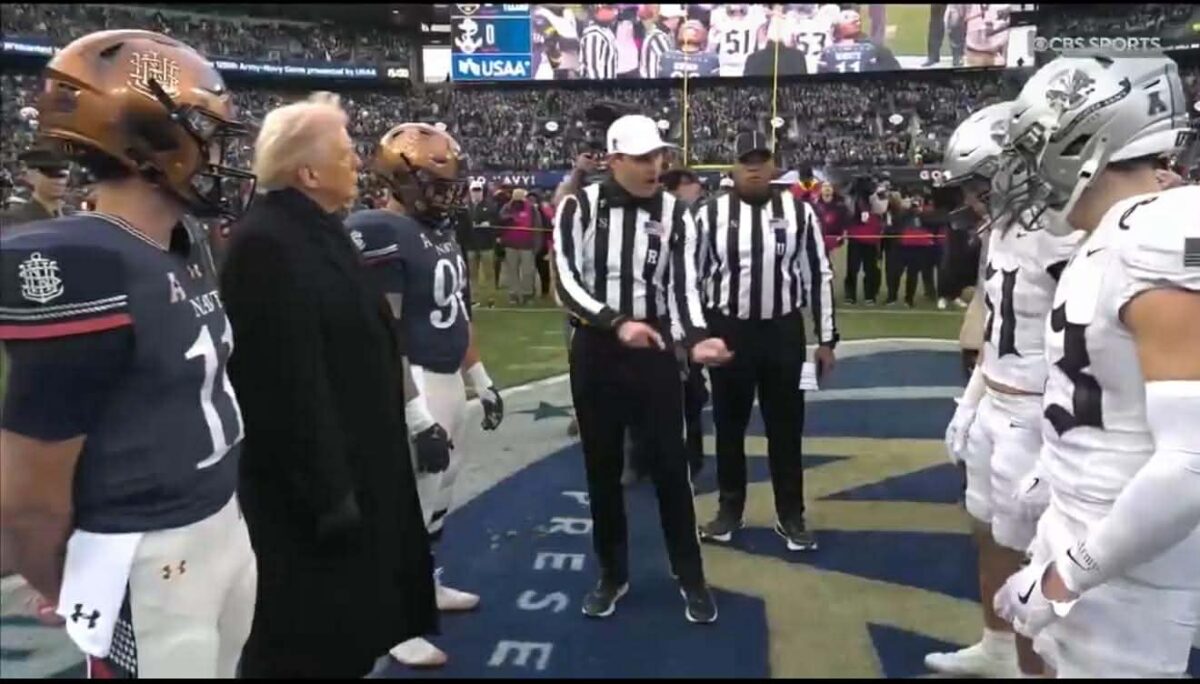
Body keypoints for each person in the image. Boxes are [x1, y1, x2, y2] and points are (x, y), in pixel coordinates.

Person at [0, 29, 257, 678]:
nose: (219, 154)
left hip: (220, 522)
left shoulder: (184, 241)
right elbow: (29, 492)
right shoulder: (80, 260)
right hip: (145, 553)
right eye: (205, 134)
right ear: (150, 141)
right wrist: (63, 580)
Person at [990, 55, 1200, 679]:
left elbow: (1191, 464)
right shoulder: (1111, 234)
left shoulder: (1157, 234)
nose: (1027, 174)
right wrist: (1051, 475)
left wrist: (1064, 578)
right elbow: (1109, 397)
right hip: (1089, 525)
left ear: (1084, 144)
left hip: (1130, 560)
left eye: (1037, 152)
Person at [220, 93, 439, 677]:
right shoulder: (265, 244)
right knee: (307, 641)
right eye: (344, 155)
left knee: (349, 633)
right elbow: (281, 384)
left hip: (355, 465)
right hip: (314, 494)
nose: (358, 166)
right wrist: (329, 493)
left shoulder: (316, 229)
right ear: (308, 171)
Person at [552, 114, 733, 623]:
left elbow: (683, 287)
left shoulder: (678, 213)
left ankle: (690, 575)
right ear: (614, 161)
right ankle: (612, 573)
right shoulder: (579, 207)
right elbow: (565, 281)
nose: (656, 166)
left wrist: (695, 339)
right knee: (602, 469)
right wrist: (614, 323)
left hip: (652, 345)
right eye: (642, 158)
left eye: (659, 156)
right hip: (597, 347)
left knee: (671, 467)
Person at [923, 100, 1081, 678]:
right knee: (987, 530)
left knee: (1039, 554)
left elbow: (1088, 346)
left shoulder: (1068, 232)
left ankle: (1035, 666)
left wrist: (1061, 431)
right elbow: (995, 326)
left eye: (980, 184)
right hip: (997, 399)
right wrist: (972, 401)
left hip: (1041, 413)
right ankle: (996, 646)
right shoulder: (1007, 228)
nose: (972, 199)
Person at [346, 122, 505, 668]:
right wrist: (413, 413)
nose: (449, 192)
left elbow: (458, 314)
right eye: (437, 183)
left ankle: (423, 586)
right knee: (405, 503)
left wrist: (478, 379)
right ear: (400, 177)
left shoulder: (439, 232)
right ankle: (390, 617)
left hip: (444, 377)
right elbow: (378, 331)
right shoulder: (377, 229)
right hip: (410, 376)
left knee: (440, 492)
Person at [694, 131, 837, 551]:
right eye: (746, 160)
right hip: (730, 331)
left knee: (787, 428)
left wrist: (826, 339)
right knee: (727, 427)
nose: (754, 167)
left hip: (782, 333)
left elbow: (818, 275)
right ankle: (729, 511)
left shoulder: (800, 212)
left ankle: (790, 515)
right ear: (733, 167)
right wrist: (699, 336)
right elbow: (693, 278)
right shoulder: (709, 214)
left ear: (775, 165)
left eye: (762, 159)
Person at [0, 149, 70, 231]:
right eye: (51, 175)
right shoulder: (14, 218)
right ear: (32, 177)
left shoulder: (73, 215)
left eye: (63, 176)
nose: (60, 182)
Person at [499, 188, 542, 305]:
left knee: (528, 271)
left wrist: (537, 245)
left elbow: (538, 227)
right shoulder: (506, 208)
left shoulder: (532, 209)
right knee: (512, 271)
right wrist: (509, 219)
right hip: (510, 245)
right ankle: (513, 295)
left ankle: (527, 294)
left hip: (527, 245)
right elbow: (500, 221)